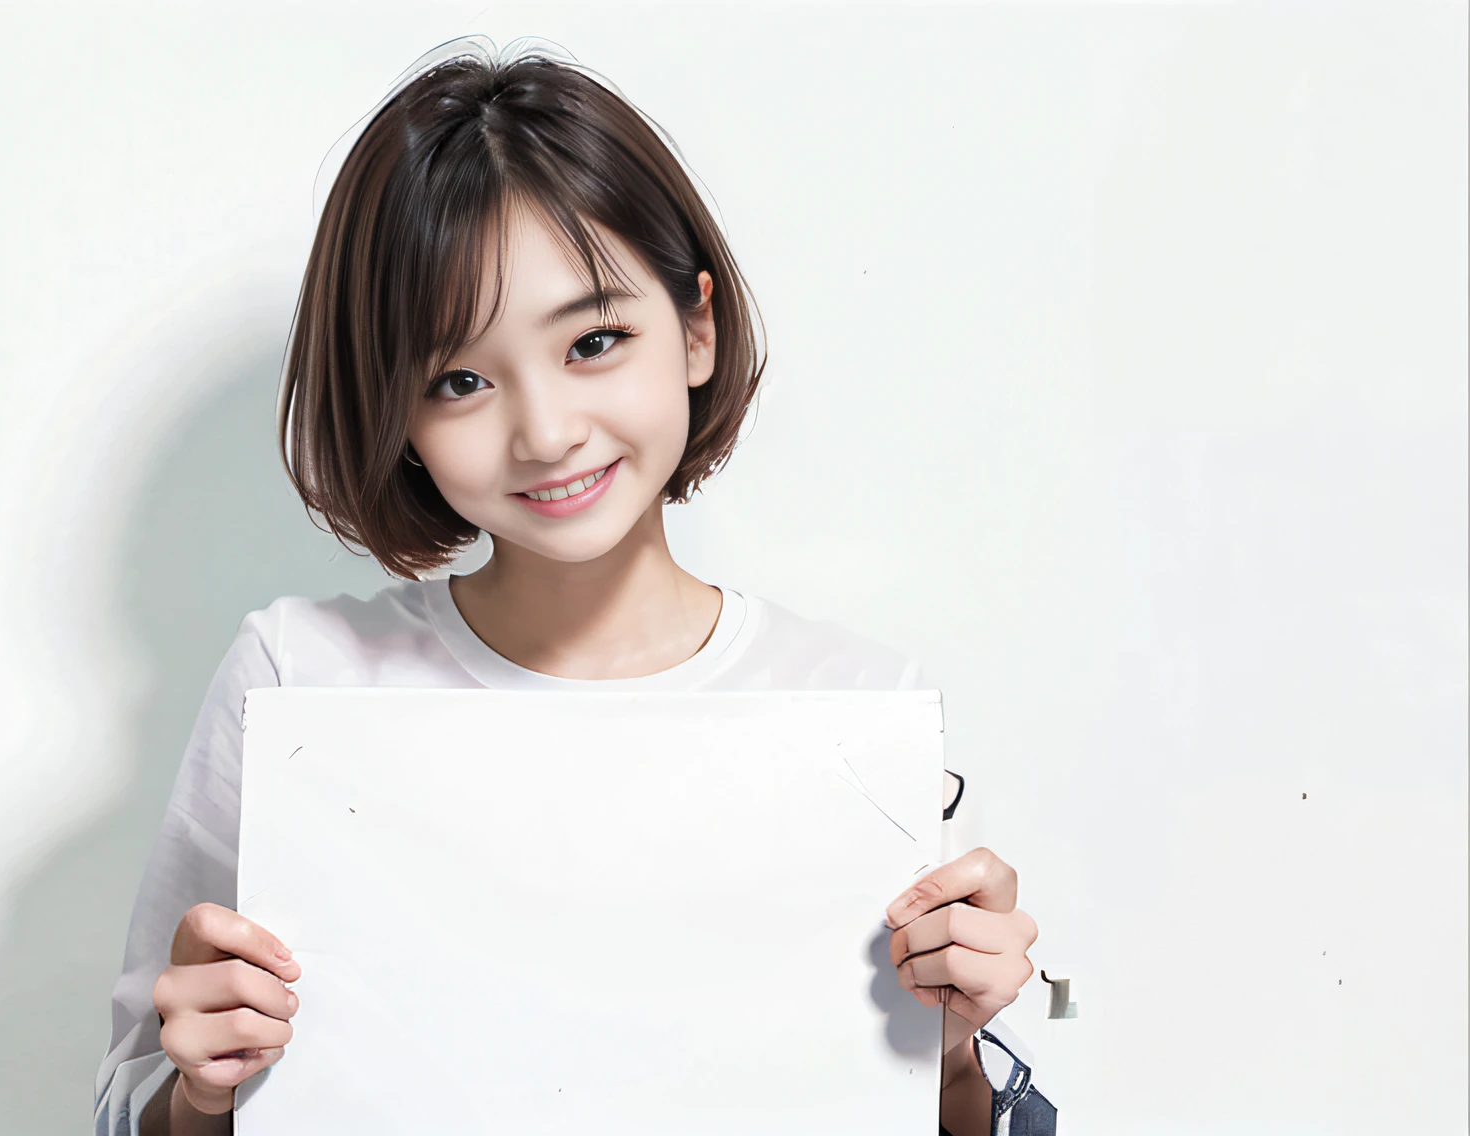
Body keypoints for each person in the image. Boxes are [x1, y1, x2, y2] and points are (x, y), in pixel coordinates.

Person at [95, 42, 1055, 1136]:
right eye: (458, 379)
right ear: (396, 415)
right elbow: (135, 1101)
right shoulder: (298, 681)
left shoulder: (852, 704)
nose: (545, 431)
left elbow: (917, 1103)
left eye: (593, 340)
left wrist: (951, 1060)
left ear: (694, 327)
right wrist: (201, 1089)